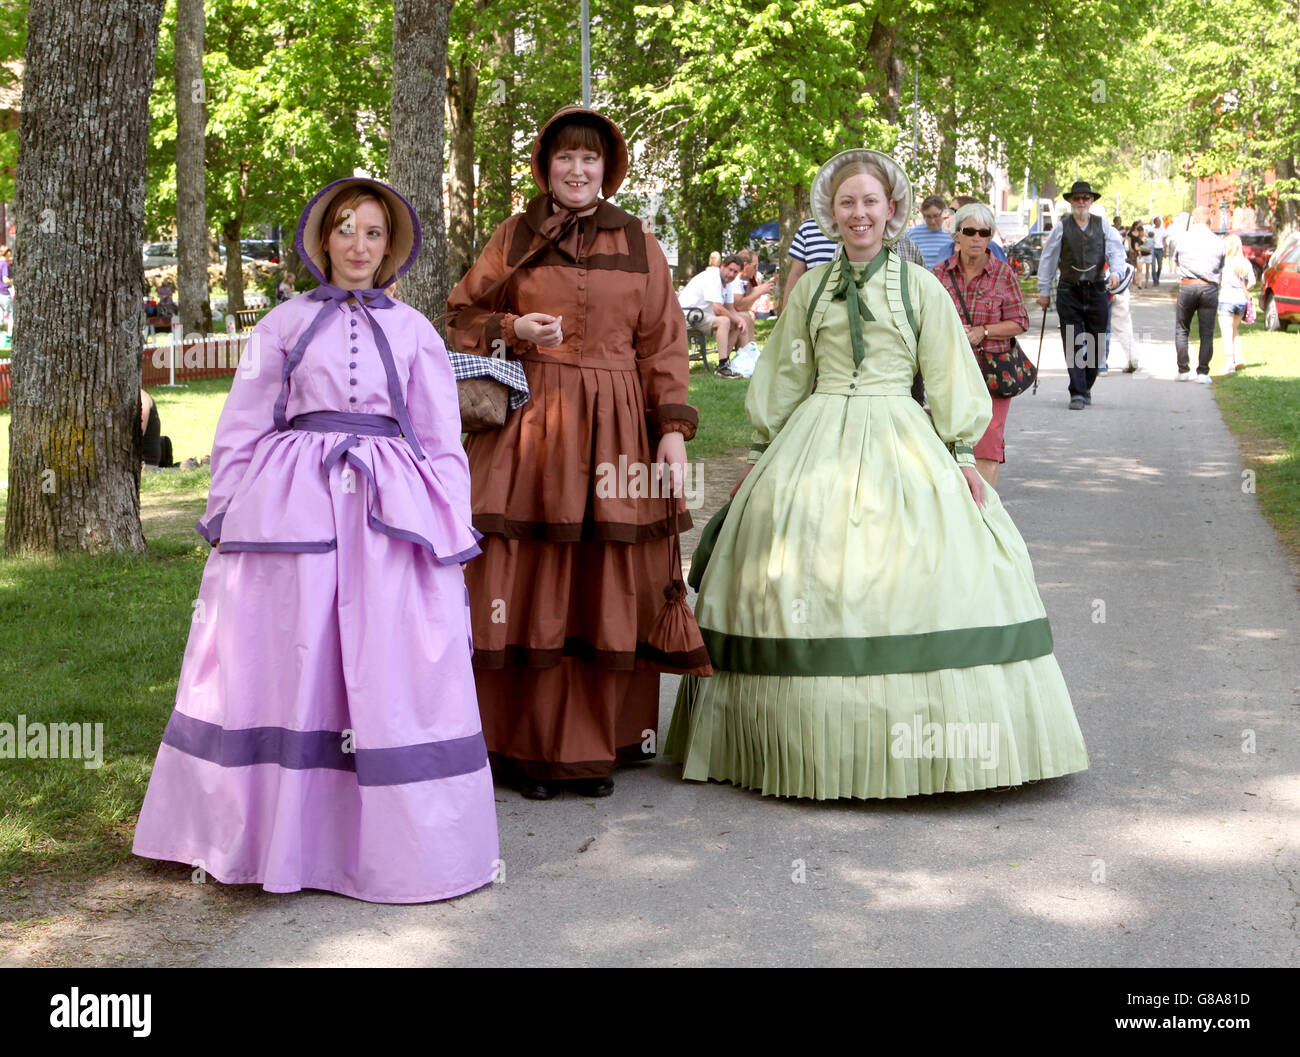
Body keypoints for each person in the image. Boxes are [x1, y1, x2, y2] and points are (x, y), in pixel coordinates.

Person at [666, 148, 1088, 800]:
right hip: (818, 434)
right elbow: (784, 376)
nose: (858, 212)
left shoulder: (920, 289)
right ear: (830, 214)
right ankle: (807, 742)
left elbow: (948, 370)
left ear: (891, 210)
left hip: (900, 431)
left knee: (919, 570)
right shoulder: (809, 290)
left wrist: (963, 456)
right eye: (846, 202)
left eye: (869, 201)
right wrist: (756, 456)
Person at [132, 177, 499, 903]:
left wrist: (450, 518)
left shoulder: (416, 332)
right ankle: (264, 832)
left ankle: (395, 848)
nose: (358, 245)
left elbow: (438, 438)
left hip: (388, 508)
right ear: (322, 240)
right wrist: (226, 510)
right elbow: (244, 422)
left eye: (372, 232)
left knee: (385, 655)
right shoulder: (281, 325)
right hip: (291, 502)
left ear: (390, 245)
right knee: (290, 651)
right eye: (345, 229)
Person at [447, 106, 695, 801]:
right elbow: (458, 316)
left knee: (601, 578)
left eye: (590, 159)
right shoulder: (514, 235)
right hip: (532, 426)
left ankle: (596, 743)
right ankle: (519, 745)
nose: (578, 170)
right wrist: (511, 326)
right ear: (545, 165)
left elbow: (663, 342)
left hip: (617, 428)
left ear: (608, 169)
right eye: (565, 158)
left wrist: (670, 428)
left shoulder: (640, 241)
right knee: (526, 580)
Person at [932, 202, 1029, 490]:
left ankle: (985, 517)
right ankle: (956, 515)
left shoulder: (1003, 274)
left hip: (992, 374)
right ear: (957, 235)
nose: (976, 238)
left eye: (983, 232)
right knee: (947, 443)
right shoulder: (937, 274)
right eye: (970, 231)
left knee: (986, 445)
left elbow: (1020, 321)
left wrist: (982, 331)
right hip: (948, 373)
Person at [1035, 181, 1127, 409]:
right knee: (1072, 341)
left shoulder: (1103, 225)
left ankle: (1085, 385)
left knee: (1097, 344)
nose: (1082, 202)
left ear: (1092, 201)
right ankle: (1077, 392)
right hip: (1069, 289)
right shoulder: (1062, 227)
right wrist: (1044, 290)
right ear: (1070, 201)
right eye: (1077, 198)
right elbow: (1048, 258)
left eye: (1086, 198)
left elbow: (1116, 251)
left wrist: (1116, 273)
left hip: (1097, 289)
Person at [1172, 206, 1225, 383]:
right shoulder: (1218, 241)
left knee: (1182, 329)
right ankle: (1203, 372)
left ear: (1194, 220)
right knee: (1207, 332)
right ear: (1209, 220)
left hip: (1188, 286)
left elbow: (1176, 259)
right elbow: (1221, 265)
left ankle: (1183, 370)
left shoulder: (1184, 239)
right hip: (1209, 287)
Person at [679, 254, 745, 371]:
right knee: (724, 321)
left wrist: (740, 321)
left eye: (735, 272)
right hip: (685, 315)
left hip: (701, 315)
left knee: (736, 326)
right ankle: (723, 366)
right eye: (730, 270)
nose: (731, 275)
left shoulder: (727, 282)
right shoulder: (713, 277)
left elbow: (730, 308)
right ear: (722, 266)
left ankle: (724, 364)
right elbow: (718, 308)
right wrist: (737, 319)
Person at [1216, 234, 1254, 374]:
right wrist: (1244, 290)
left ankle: (1229, 363)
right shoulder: (1245, 263)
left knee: (1226, 333)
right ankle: (1239, 358)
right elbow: (1253, 281)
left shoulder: (1225, 262)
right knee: (1234, 330)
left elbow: (1217, 277)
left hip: (1227, 299)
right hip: (1241, 301)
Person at [782, 216, 838, 310]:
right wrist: (786, 315)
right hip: (817, 311)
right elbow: (796, 275)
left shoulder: (863, 226)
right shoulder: (808, 228)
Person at [906, 194, 954, 268]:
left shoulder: (953, 233)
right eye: (928, 217)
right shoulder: (914, 234)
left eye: (936, 216)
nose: (932, 221)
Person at [1150, 216, 1166, 285]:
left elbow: (1164, 240)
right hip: (1153, 249)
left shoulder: (1163, 230)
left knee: (1160, 266)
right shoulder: (1152, 230)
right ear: (1155, 222)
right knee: (1153, 266)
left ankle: (1157, 277)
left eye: (1160, 221)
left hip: (1160, 249)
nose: (1159, 222)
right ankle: (1155, 280)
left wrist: (1165, 251)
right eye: (1158, 221)